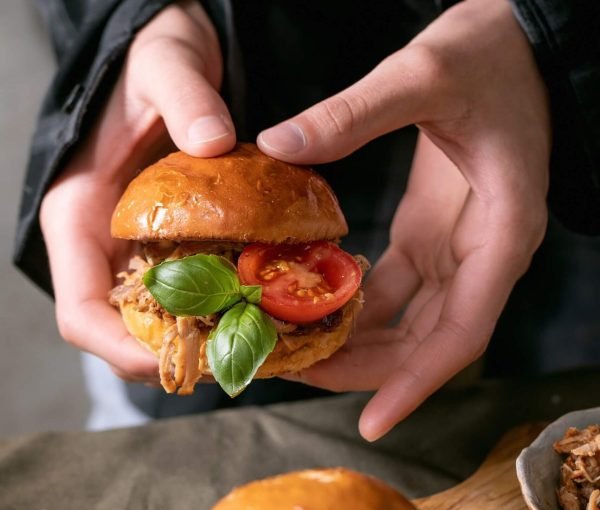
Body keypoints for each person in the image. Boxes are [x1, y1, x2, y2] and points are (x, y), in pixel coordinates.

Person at [15, 0, 600, 439]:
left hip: (533, 153)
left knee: (528, 426)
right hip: (218, 79)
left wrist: (534, 25)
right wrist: (143, 17)